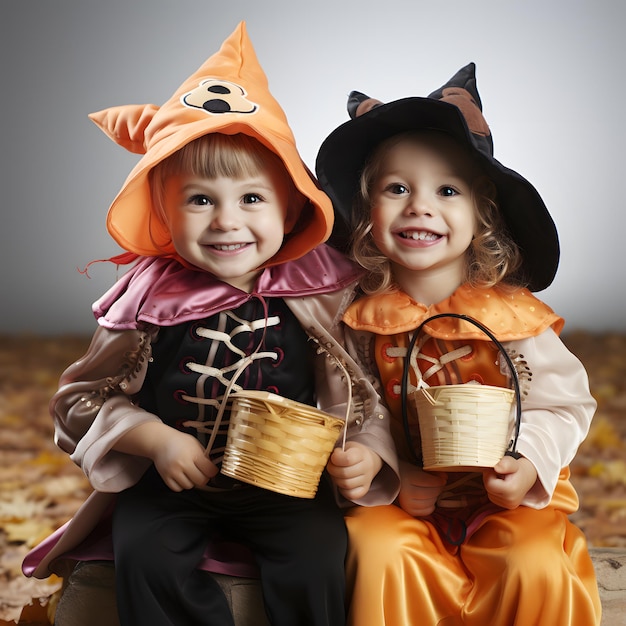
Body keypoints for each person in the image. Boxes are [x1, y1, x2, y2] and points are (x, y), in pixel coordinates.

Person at [23, 22, 400, 626]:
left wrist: (366, 452)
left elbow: (366, 393)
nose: (227, 221)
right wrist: (152, 437)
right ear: (165, 213)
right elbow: (79, 401)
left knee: (318, 554)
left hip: (287, 484)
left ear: (291, 207)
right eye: (200, 200)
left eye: (252, 199)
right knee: (144, 556)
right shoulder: (145, 300)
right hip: (172, 488)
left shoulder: (321, 294)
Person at [315, 63, 601, 625]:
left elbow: (562, 404)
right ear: (367, 212)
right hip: (405, 502)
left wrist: (526, 463)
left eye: (447, 190)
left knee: (531, 562)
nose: (420, 206)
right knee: (376, 551)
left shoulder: (514, 317)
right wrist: (383, 465)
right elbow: (352, 404)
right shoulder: (358, 321)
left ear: (481, 213)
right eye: (396, 188)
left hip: (506, 499)